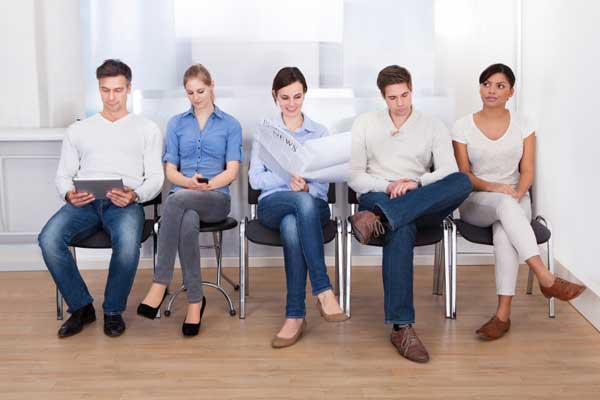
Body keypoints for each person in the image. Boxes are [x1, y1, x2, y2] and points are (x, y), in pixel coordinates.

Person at [452, 63, 585, 340]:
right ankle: (546, 278)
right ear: (480, 87)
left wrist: (517, 191)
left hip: (515, 198)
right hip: (478, 201)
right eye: (487, 84)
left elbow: (527, 171)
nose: (492, 90)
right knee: (504, 207)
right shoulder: (462, 126)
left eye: (500, 86)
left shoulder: (524, 124)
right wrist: (496, 188)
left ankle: (502, 316)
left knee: (504, 232)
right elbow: (465, 175)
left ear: (511, 92)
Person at [348, 65, 472, 363]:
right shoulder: (364, 123)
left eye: (405, 95)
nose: (400, 103)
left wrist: (415, 182)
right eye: (393, 98)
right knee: (401, 228)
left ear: (412, 90)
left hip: (419, 195)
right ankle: (402, 328)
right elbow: (354, 176)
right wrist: (389, 185)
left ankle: (384, 217)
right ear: (383, 97)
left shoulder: (433, 125)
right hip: (379, 194)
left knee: (462, 181)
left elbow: (448, 171)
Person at [38, 59, 164, 338]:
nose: (111, 97)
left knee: (128, 245)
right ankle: (82, 306)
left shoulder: (147, 129)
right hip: (85, 202)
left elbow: (156, 177)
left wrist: (135, 195)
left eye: (117, 90)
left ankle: (112, 310)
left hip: (124, 203)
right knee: (48, 239)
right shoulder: (79, 130)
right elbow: (62, 175)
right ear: (99, 89)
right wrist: (69, 193)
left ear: (129, 89)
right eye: (105, 90)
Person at [137, 64, 243, 336]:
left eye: (201, 90)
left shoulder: (230, 125)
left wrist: (206, 186)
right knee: (186, 218)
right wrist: (188, 183)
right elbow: (170, 170)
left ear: (211, 86)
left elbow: (232, 171)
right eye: (190, 93)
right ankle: (195, 303)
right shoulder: (176, 124)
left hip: (216, 198)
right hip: (183, 197)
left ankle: (160, 283)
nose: (196, 97)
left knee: (175, 203)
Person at [249, 66, 348, 348]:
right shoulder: (265, 132)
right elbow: (255, 179)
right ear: (274, 96)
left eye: (297, 96)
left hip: (312, 205)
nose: (291, 104)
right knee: (296, 208)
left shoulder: (319, 132)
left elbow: (322, 184)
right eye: (285, 98)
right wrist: (286, 177)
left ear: (305, 94)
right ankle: (323, 290)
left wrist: (305, 186)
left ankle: (294, 316)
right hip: (273, 204)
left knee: (296, 219)